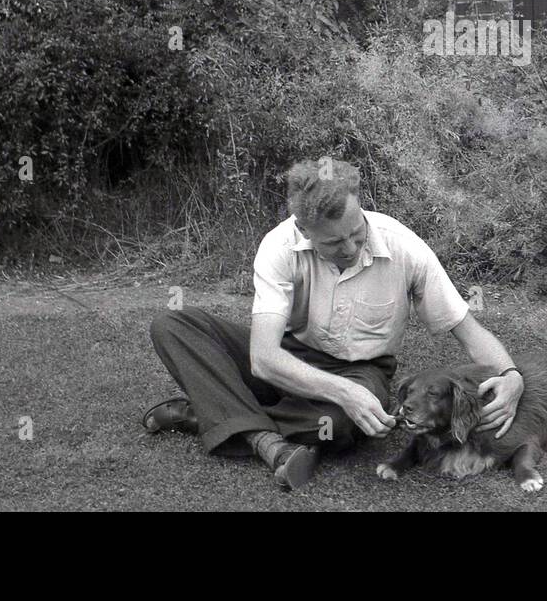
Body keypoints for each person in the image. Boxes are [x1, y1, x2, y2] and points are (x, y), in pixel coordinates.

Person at [142, 156, 525, 490]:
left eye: (357, 234)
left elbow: (468, 329)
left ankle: (208, 413)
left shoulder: (405, 247)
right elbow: (263, 359)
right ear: (304, 230)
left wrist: (510, 374)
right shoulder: (278, 247)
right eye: (334, 243)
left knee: (340, 425)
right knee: (172, 323)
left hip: (363, 369)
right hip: (287, 357)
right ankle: (263, 439)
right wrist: (341, 392)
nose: (351, 249)